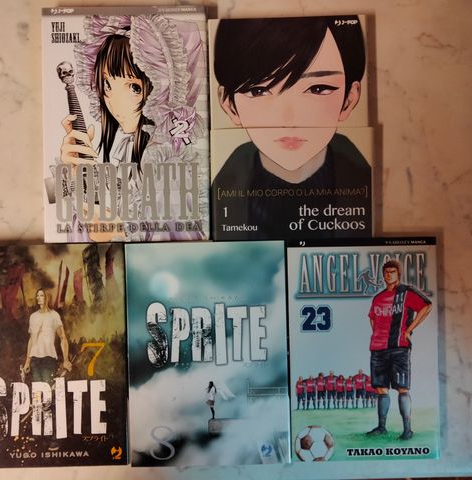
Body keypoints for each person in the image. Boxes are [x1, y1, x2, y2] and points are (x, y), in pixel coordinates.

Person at [212, 16, 371, 239]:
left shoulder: (369, 188)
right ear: (229, 105)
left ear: (349, 99)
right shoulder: (217, 200)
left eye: (318, 88)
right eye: (258, 91)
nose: (289, 119)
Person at [60, 14, 206, 242]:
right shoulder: (123, 155)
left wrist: (115, 232)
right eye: (107, 84)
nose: (114, 103)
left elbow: (175, 251)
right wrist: (73, 180)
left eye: (134, 88)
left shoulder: (170, 171)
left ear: (164, 91)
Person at [366, 260, 432, 440]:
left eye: (392, 272)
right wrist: (377, 334)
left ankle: (407, 429)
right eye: (386, 272)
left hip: (399, 348)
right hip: (378, 349)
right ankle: (381, 427)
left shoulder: (406, 292)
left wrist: (409, 330)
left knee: (402, 388)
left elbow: (427, 306)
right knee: (381, 389)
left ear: (398, 274)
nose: (389, 275)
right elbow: (372, 317)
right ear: (383, 275)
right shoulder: (378, 298)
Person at [23, 289, 72, 384]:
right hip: (35, 359)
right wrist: (27, 361)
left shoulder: (54, 315)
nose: (38, 298)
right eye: (37, 295)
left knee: (47, 387)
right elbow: (31, 339)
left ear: (47, 297)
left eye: (41, 295)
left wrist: (66, 360)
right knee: (37, 389)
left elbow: (63, 337)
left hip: (48, 358)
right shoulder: (33, 317)